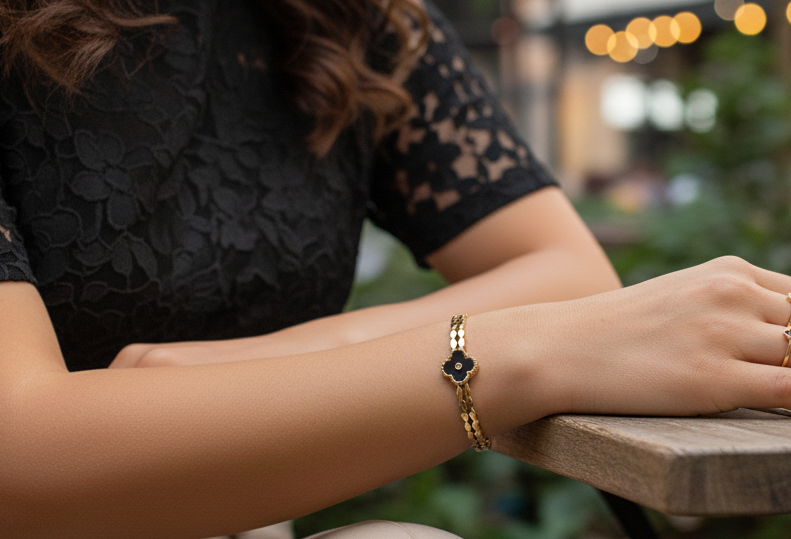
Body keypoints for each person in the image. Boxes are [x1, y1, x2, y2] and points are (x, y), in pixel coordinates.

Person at [1, 1, 790, 539]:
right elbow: (20, 449)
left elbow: (562, 267)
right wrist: (499, 356)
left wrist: (225, 364)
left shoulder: (351, 17)